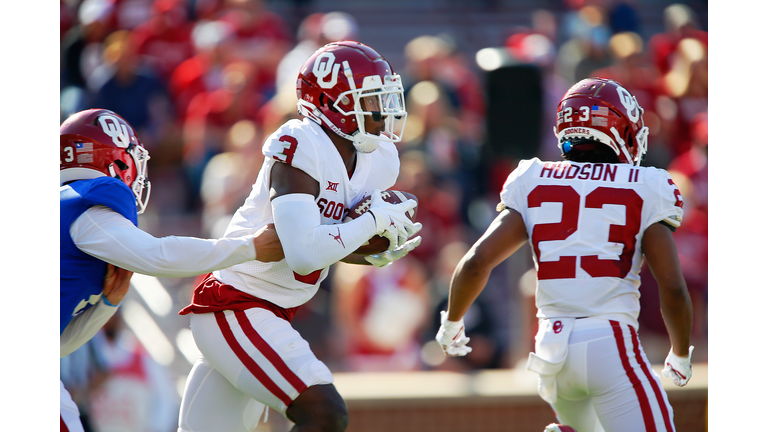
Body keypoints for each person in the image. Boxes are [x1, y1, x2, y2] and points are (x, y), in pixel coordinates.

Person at [176, 41, 422, 432]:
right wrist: (374, 220)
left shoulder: (378, 157)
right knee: (323, 412)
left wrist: (373, 251)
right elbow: (304, 253)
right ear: (331, 103)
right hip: (237, 303)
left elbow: (329, 238)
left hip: (268, 310)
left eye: (385, 98)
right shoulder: (301, 143)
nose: (383, 111)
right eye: (371, 99)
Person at [436, 77, 694, 432]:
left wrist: (452, 320)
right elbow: (673, 287)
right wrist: (680, 352)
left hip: (551, 349)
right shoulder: (646, 185)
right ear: (621, 128)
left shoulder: (533, 177)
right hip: (610, 343)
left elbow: (479, 260)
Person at [60, 108, 285, 432]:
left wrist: (108, 304)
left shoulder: (67, 206)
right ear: (117, 160)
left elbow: (60, 346)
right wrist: (250, 247)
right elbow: (159, 255)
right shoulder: (86, 209)